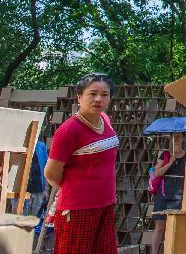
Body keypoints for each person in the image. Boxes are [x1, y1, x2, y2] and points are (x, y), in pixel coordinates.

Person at [44, 73, 119, 254]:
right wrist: (75, 187)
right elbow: (51, 173)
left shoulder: (106, 121)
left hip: (106, 203)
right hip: (78, 209)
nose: (98, 99)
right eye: (92, 94)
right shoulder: (69, 131)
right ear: (79, 97)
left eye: (104, 94)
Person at [150, 132, 186, 254]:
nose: (177, 138)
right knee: (160, 226)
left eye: (179, 136)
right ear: (170, 137)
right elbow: (157, 173)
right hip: (164, 192)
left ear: (183, 138)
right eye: (174, 136)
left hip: (179, 194)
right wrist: (170, 163)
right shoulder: (164, 154)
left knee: (175, 226)